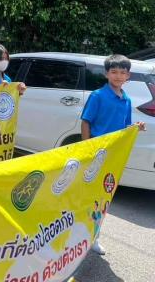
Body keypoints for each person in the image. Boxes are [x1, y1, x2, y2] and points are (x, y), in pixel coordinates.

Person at [81, 54, 145, 255]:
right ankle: (78, 233)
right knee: (89, 194)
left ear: (128, 76)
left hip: (113, 157)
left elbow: (125, 129)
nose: (118, 76)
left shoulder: (126, 100)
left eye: (122, 72)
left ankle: (94, 236)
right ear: (106, 73)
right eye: (114, 72)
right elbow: (86, 122)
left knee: (104, 196)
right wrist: (87, 149)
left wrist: (135, 127)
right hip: (96, 154)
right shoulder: (98, 96)